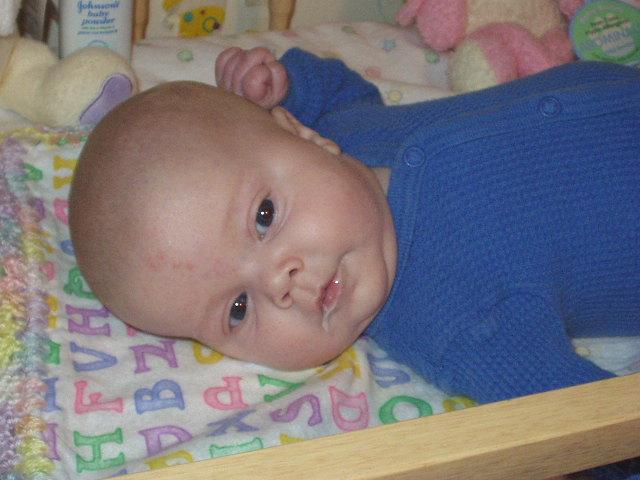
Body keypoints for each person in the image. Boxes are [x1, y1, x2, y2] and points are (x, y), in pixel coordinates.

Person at [69, 46, 640, 407]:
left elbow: (342, 87)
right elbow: (586, 426)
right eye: (237, 310)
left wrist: (285, 84)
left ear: (299, 134)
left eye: (264, 217)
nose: (279, 283)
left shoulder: (341, 127)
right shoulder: (457, 327)